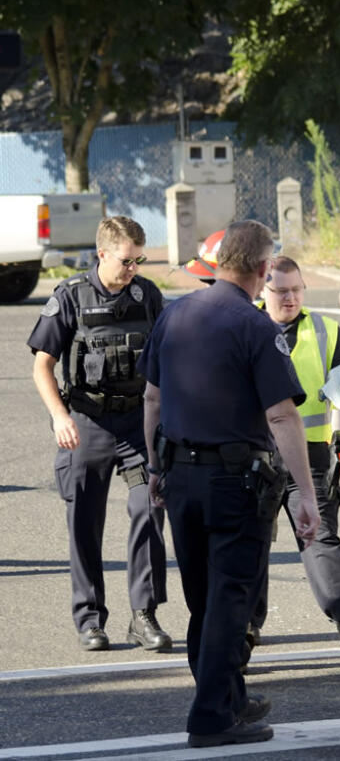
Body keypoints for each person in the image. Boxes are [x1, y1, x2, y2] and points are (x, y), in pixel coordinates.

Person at [139, 220, 321, 749]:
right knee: (230, 598)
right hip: (235, 483)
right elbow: (284, 418)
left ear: (216, 264)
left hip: (178, 477)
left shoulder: (174, 314)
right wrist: (306, 496)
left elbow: (151, 400)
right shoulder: (256, 326)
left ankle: (228, 698)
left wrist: (154, 468)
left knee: (205, 598)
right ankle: (211, 717)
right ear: (264, 270)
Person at [27, 215, 172, 653]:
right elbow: (42, 366)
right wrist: (59, 416)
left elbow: (169, 356)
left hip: (135, 426)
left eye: (139, 260)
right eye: (127, 261)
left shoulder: (147, 296)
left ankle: (143, 615)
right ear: (102, 254)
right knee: (84, 522)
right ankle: (90, 619)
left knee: (149, 507)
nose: (133, 269)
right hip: (87, 423)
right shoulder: (70, 296)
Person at [248, 256, 340, 649]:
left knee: (320, 536)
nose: (290, 298)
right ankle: (242, 628)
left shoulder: (327, 332)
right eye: (281, 290)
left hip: (309, 457)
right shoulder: (245, 326)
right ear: (263, 289)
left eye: (297, 289)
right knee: (250, 542)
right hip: (254, 454)